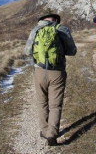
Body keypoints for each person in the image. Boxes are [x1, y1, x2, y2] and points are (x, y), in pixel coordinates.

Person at [24, 12, 77, 146]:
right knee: (55, 105)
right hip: (57, 72)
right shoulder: (62, 29)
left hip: (39, 71)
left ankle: (43, 130)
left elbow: (27, 51)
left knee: (42, 102)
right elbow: (72, 51)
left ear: (42, 20)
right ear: (55, 20)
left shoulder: (36, 30)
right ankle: (52, 134)